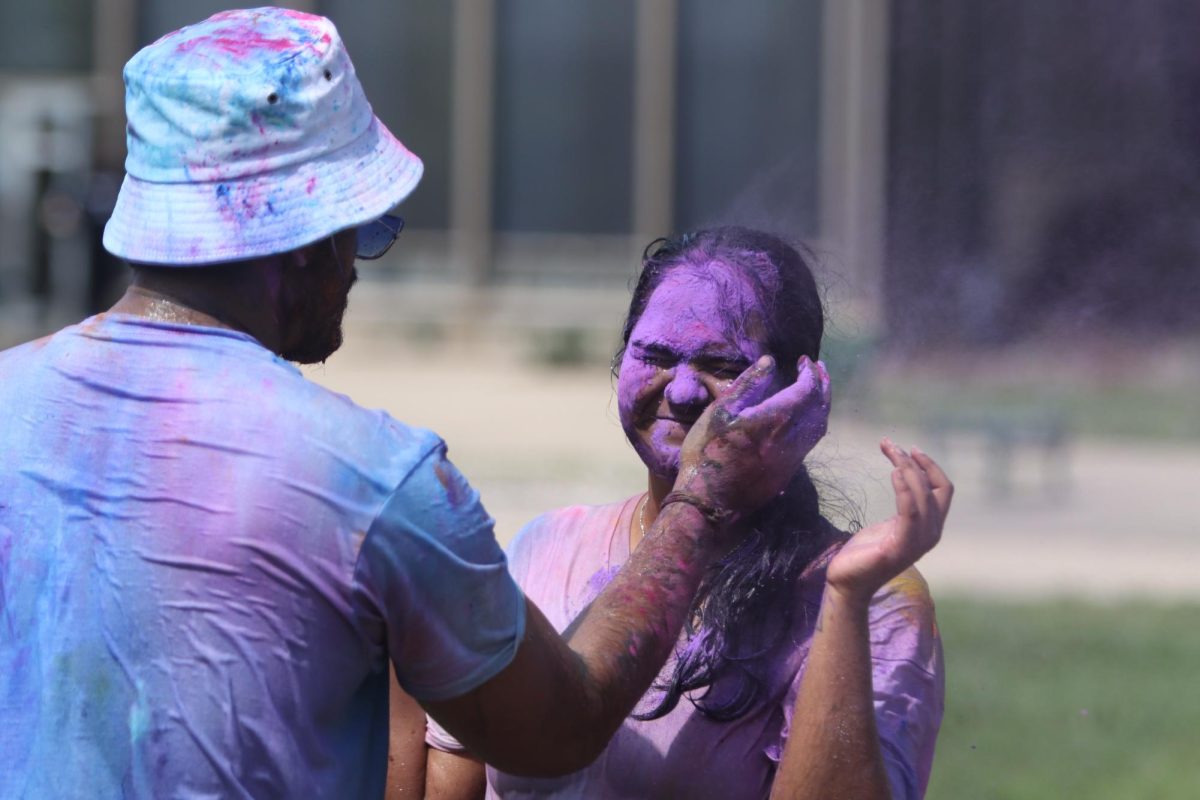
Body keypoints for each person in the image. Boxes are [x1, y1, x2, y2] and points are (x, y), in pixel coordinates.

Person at [0, 12, 834, 799]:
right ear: (302, 244)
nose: (358, 269)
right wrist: (700, 502)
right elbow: (558, 725)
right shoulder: (371, 480)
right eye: (360, 232)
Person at [416, 227, 953, 799]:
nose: (684, 391)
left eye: (723, 365)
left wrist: (845, 598)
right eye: (654, 356)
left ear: (799, 392)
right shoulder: (546, 546)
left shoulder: (871, 597)